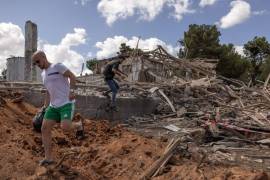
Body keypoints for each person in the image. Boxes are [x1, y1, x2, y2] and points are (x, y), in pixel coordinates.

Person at [31, 51, 84, 166]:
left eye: (38, 61)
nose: (37, 64)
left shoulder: (57, 66)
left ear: (44, 57)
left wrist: (72, 91)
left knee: (65, 127)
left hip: (66, 103)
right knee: (44, 129)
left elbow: (72, 76)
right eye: (35, 63)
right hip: (53, 106)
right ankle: (48, 158)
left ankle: (79, 125)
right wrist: (44, 107)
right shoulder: (43, 75)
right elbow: (48, 92)